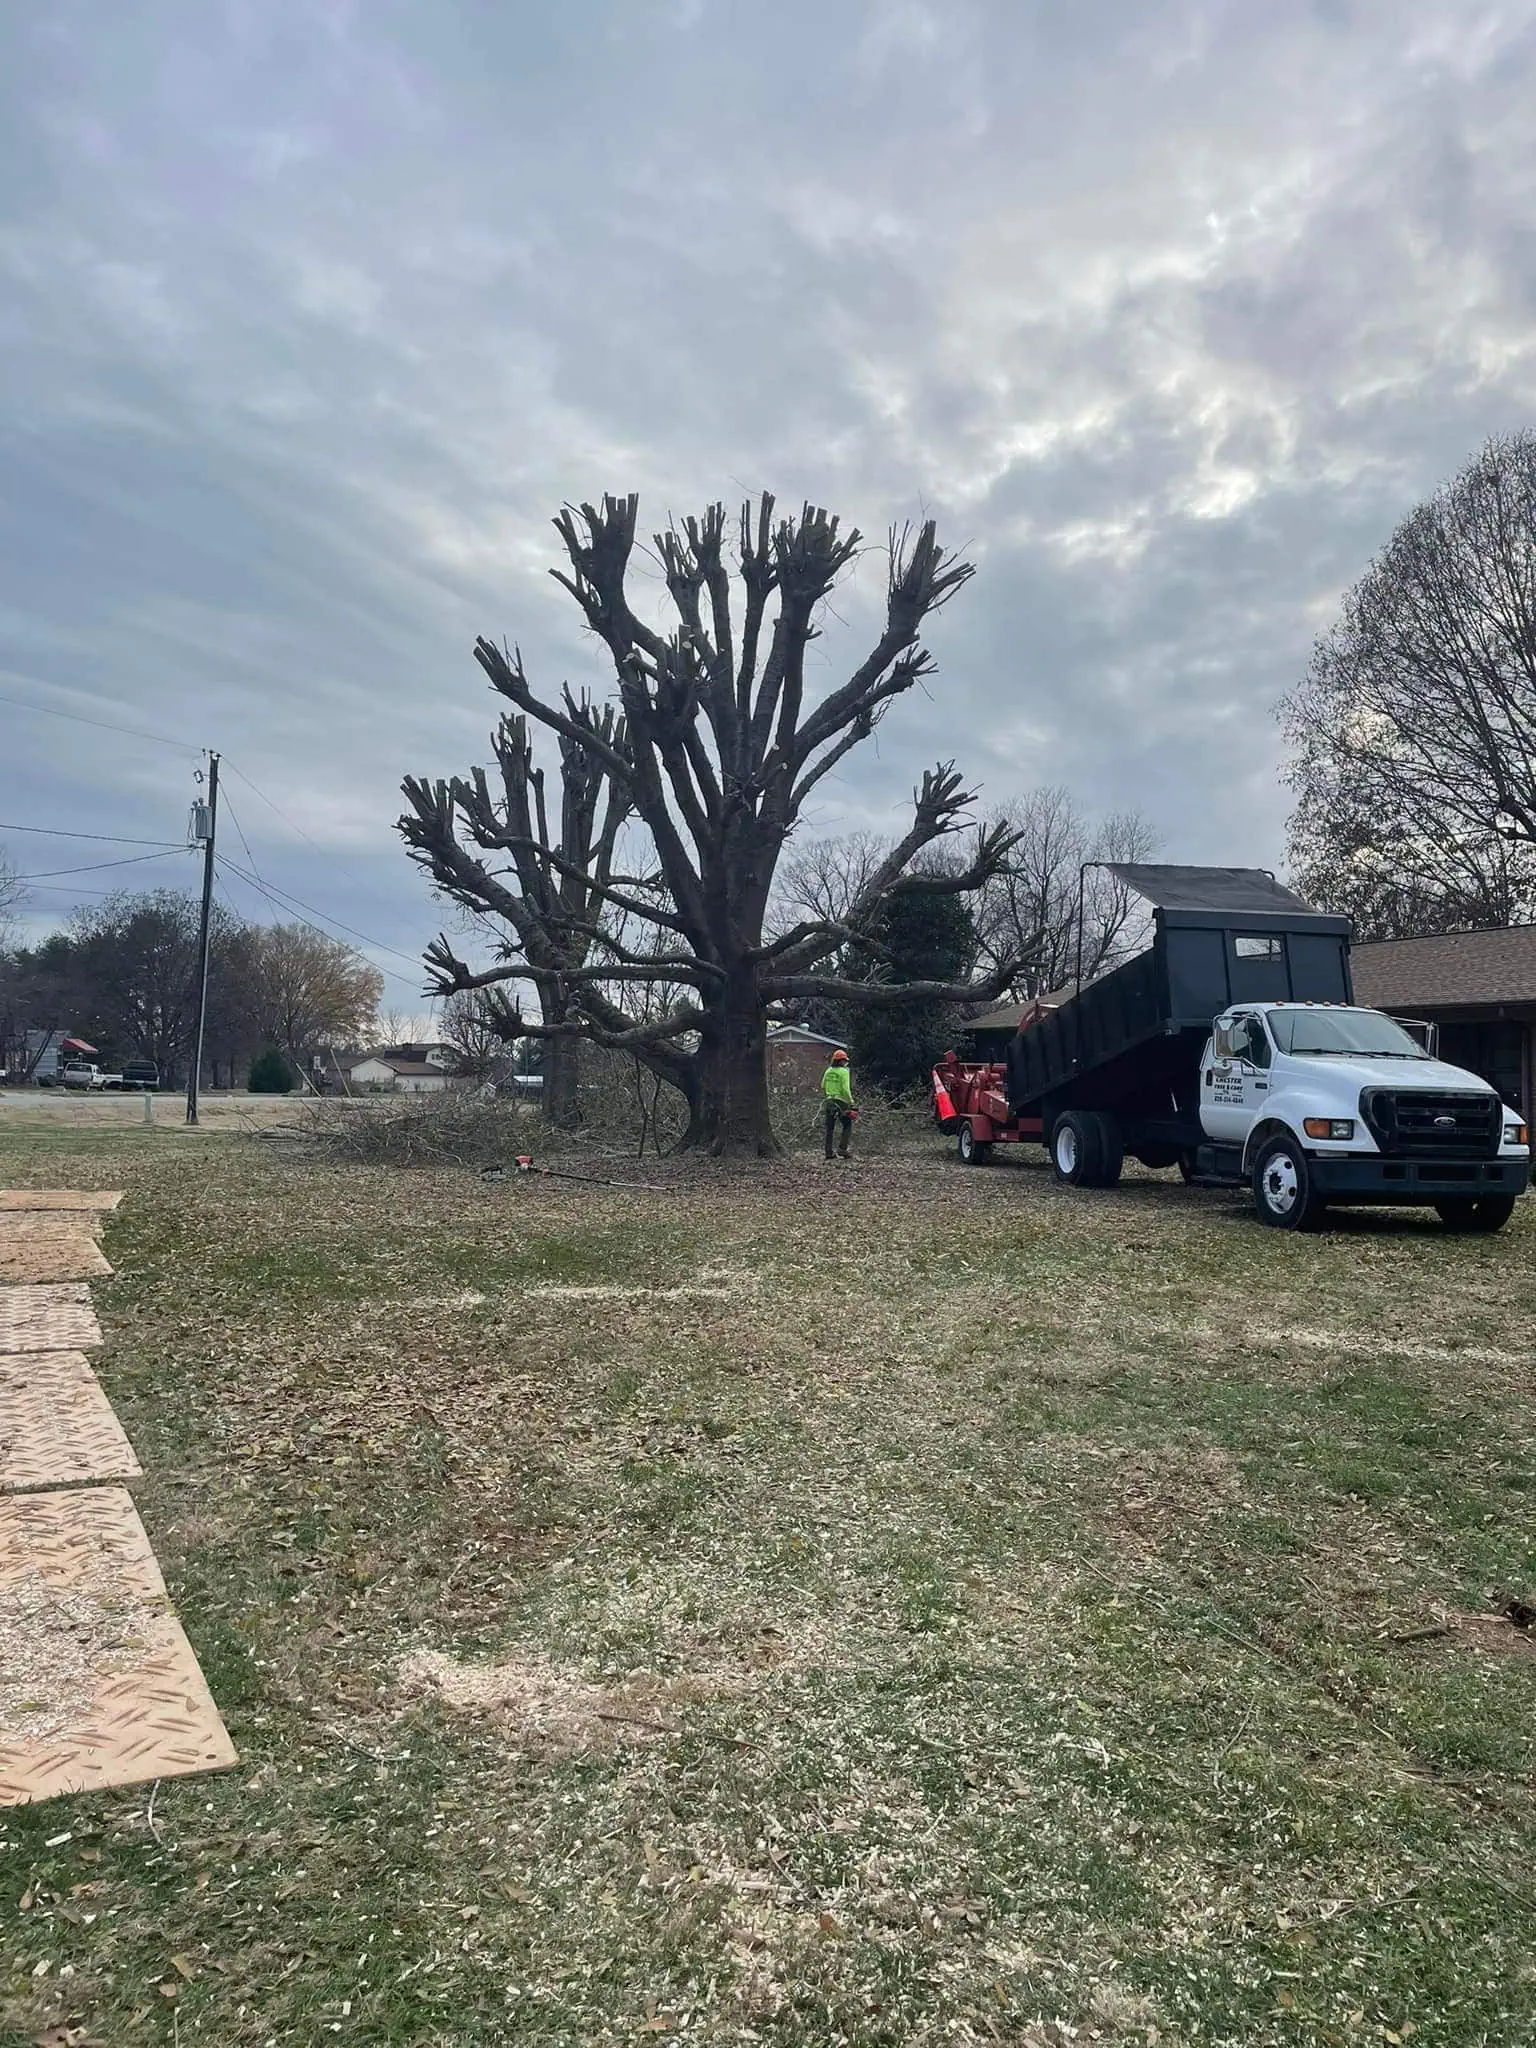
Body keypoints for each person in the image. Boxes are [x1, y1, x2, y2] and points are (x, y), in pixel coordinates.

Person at [821, 1048, 856, 1160]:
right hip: (841, 1102)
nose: (845, 1063)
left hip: (829, 1101)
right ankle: (842, 1149)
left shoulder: (828, 1070)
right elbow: (845, 1089)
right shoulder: (844, 1072)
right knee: (847, 1125)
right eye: (845, 1061)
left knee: (829, 1127)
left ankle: (828, 1152)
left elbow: (822, 1085)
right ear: (841, 1061)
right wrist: (851, 1101)